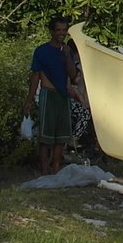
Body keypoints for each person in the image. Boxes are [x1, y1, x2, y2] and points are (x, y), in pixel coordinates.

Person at [26, 18, 76, 175]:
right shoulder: (42, 51)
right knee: (45, 136)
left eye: (64, 30)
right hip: (48, 94)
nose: (61, 33)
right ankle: (43, 169)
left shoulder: (67, 51)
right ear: (52, 31)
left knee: (61, 136)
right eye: (58, 30)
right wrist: (30, 99)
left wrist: (68, 56)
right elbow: (35, 77)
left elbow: (73, 75)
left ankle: (56, 168)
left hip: (63, 95)